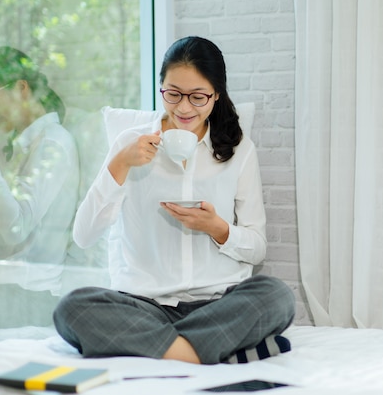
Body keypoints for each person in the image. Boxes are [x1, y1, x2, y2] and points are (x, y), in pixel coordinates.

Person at [53, 36, 295, 365]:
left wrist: (219, 229)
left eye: (198, 97)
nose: (183, 108)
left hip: (217, 302)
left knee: (277, 297)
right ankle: (205, 352)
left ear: (216, 95)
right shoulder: (130, 143)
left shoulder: (239, 150)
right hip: (144, 306)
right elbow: (83, 236)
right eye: (173, 94)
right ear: (161, 88)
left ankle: (163, 349)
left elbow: (257, 246)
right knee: (71, 309)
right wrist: (120, 164)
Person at [0, 46, 80, 295]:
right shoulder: (25, 144)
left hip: (23, 291)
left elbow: (16, 229)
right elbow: (19, 221)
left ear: (21, 88)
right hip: (1, 282)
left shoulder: (51, 143)